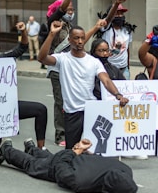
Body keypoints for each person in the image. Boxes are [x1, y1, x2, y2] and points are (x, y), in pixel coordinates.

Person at [38, 21, 129, 150]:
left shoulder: (94, 62)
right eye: (76, 38)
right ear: (69, 40)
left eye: (82, 38)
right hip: (72, 112)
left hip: (91, 110)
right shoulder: (62, 59)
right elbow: (41, 58)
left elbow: (106, 80)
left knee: (94, 149)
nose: (80, 41)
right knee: (72, 151)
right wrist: (52, 34)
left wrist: (118, 95)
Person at [0, 21, 48, 150]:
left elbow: (21, 48)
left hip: (6, 106)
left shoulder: (3, 60)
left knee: (41, 109)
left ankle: (41, 149)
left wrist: (23, 31)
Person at [0, 138, 138, 193]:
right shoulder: (82, 182)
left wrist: (82, 152)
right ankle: (7, 151)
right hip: (68, 162)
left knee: (50, 158)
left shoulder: (124, 169)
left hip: (76, 160)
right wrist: (75, 151)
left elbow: (97, 157)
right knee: (32, 165)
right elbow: (60, 168)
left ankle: (32, 148)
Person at [45, 0, 80, 147]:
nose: (70, 11)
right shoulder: (54, 22)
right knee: (60, 102)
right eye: (68, 9)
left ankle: (73, 131)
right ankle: (61, 135)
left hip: (70, 68)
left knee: (71, 100)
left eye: (73, 9)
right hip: (57, 68)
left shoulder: (70, 26)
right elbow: (60, 9)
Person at [97, 0, 136, 80]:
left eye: (121, 13)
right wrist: (116, 4)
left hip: (124, 69)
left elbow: (127, 50)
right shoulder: (106, 29)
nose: (120, 16)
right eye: (117, 13)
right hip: (109, 68)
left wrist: (128, 67)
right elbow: (107, 21)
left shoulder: (127, 31)